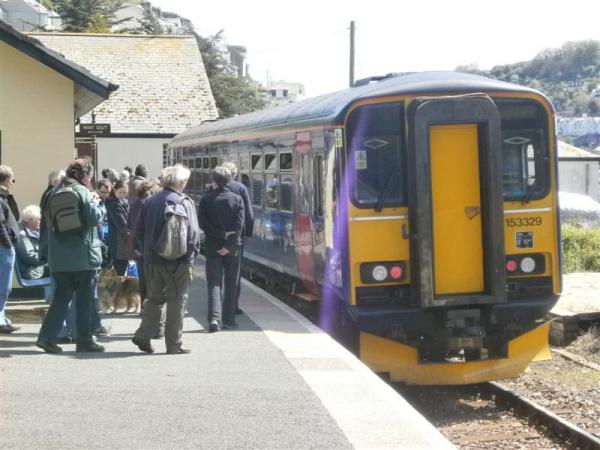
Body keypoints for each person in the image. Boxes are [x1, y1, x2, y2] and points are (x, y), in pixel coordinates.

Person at [36, 159, 105, 353]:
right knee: (84, 299)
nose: (90, 180)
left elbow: (48, 222)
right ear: (83, 175)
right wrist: (99, 204)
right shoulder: (83, 191)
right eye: (90, 176)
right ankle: (84, 340)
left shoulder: (53, 192)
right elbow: (94, 217)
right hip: (83, 256)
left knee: (60, 298)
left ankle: (46, 337)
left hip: (59, 257)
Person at [132, 164, 200, 354]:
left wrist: (148, 250)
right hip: (180, 262)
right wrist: (190, 257)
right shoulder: (185, 202)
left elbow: (138, 231)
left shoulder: (149, 202)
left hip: (153, 261)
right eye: (185, 181)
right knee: (177, 301)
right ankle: (174, 345)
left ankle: (143, 335)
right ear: (180, 182)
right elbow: (193, 235)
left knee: (154, 299)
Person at [198, 166, 244, 332]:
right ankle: (229, 320)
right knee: (231, 284)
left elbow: (203, 224)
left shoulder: (206, 200)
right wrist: (228, 244)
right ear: (230, 180)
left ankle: (214, 319)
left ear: (214, 181)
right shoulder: (237, 199)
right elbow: (239, 226)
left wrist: (219, 235)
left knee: (214, 283)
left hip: (212, 247)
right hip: (233, 249)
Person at [221, 161, 254, 315]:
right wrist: (248, 234)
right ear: (234, 174)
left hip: (216, 238)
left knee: (216, 276)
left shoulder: (213, 188)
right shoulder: (240, 188)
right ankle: (232, 307)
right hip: (236, 238)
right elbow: (249, 214)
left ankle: (215, 309)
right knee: (234, 274)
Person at [0, 165, 20, 333]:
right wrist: (8, 244)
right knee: (3, 287)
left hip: (5, 247)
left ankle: (2, 319)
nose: (13, 183)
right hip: (3, 248)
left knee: (4, 287)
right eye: (12, 180)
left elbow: (15, 215)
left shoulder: (4, 197)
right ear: (5, 180)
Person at [16, 205, 49, 279]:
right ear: (30, 221)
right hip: (31, 270)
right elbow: (29, 257)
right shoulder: (22, 234)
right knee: (60, 268)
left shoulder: (36, 231)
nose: (41, 222)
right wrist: (48, 258)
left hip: (38, 266)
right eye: (39, 219)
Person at [105, 180, 129, 275]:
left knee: (122, 270)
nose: (122, 195)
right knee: (120, 272)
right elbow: (122, 225)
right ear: (114, 190)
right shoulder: (113, 204)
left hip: (123, 242)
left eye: (125, 193)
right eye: (120, 192)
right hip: (118, 243)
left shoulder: (123, 202)